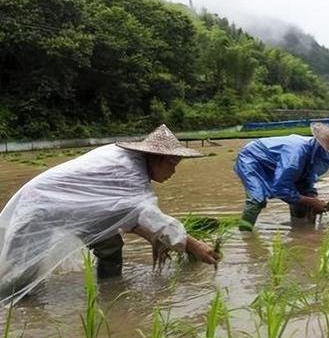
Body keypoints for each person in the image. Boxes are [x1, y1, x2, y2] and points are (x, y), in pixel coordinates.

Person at [0, 124, 219, 303]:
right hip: (41, 208)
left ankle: (112, 298)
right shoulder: (129, 174)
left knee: (111, 247)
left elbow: (124, 218)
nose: (173, 172)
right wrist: (196, 246)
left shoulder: (126, 161)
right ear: (157, 157)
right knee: (19, 279)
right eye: (172, 165)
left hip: (74, 209)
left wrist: (157, 239)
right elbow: (153, 219)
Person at [234, 123, 329, 230]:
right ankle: (245, 233)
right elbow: (280, 188)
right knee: (257, 199)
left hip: (277, 163)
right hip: (253, 158)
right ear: (323, 148)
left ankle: (300, 231)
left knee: (304, 198)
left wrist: (312, 197)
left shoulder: (314, 155)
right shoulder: (295, 156)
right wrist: (311, 202)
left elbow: (307, 180)